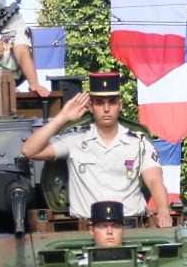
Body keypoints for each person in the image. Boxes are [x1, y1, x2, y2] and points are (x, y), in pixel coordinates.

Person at [21, 73, 173, 228]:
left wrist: (163, 210)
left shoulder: (138, 142)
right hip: (87, 229)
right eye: (100, 103)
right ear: (91, 107)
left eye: (112, 102)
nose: (106, 109)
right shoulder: (75, 138)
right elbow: (29, 150)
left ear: (120, 105)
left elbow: (155, 180)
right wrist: (63, 117)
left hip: (130, 226)